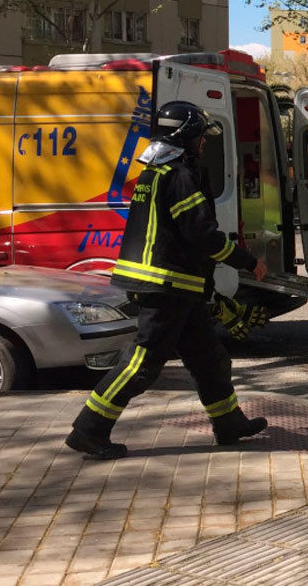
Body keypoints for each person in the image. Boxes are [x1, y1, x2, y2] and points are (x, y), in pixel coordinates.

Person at [66, 102, 268, 460]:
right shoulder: (179, 175)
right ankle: (89, 429)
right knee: (142, 365)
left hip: (177, 287)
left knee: (210, 359)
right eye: (201, 136)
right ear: (186, 136)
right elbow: (202, 235)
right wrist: (248, 262)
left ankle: (229, 423)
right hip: (167, 286)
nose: (203, 143)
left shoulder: (154, 173)